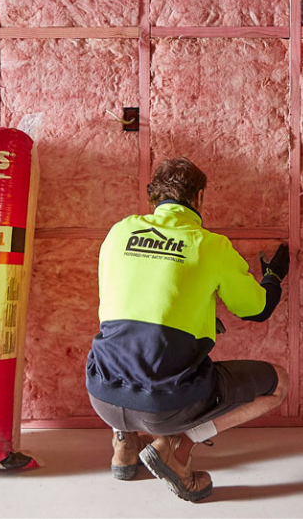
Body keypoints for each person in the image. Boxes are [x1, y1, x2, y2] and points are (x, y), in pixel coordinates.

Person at [86, 156, 290, 502]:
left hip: (101, 395)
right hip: (162, 407)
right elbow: (257, 310)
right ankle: (176, 446)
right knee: (279, 383)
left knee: (122, 341)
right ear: (198, 198)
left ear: (154, 198)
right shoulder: (210, 245)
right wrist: (273, 277)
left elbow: (135, 303)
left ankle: (123, 445)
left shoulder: (119, 232)